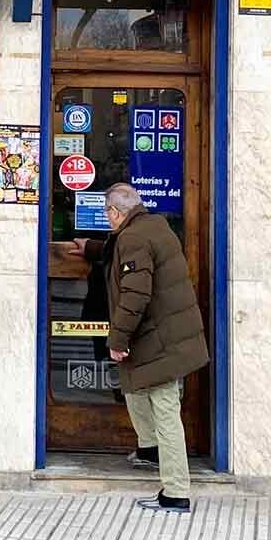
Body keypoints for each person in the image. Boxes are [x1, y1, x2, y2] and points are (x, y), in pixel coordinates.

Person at [64, 182, 208, 512]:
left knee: (165, 407)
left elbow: (135, 294)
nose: (107, 218)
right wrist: (93, 248)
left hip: (160, 339)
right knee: (134, 387)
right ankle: (150, 448)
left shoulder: (133, 238)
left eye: (107, 213)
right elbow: (128, 257)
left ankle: (176, 492)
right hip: (162, 334)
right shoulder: (153, 227)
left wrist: (116, 340)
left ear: (115, 212)